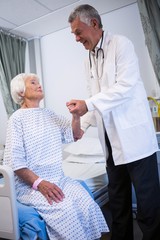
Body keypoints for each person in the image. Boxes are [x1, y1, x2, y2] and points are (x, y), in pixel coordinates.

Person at [67, 4, 160, 240]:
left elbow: (125, 87)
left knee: (148, 207)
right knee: (118, 205)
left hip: (135, 141)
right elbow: (95, 99)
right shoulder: (87, 59)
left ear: (94, 24)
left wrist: (87, 104)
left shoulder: (121, 44)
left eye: (78, 32)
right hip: (110, 143)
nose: (76, 38)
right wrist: (80, 125)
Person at [3, 73, 109, 240]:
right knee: (65, 210)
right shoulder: (16, 119)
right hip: (30, 186)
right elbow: (16, 162)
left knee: (87, 204)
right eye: (33, 82)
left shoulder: (49, 114)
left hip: (58, 178)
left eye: (38, 82)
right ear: (21, 92)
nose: (39, 85)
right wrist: (40, 183)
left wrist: (75, 116)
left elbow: (74, 135)